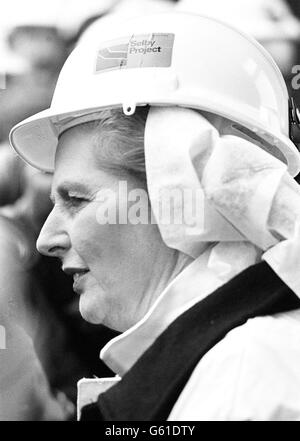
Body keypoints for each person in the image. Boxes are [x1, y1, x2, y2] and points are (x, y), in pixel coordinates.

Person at [9, 11, 300, 420]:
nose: (46, 238)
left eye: (76, 199)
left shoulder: (249, 377)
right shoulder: (225, 365)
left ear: (182, 196)